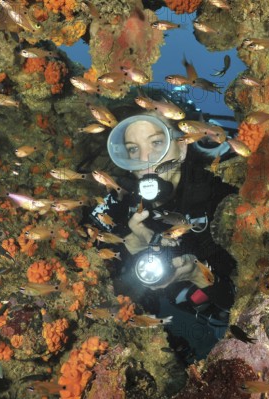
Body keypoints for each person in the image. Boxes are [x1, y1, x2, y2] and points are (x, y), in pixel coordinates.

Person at [87, 112, 237, 332]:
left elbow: (261, 292)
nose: (146, 160)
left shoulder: (221, 194)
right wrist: (131, 246)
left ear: (183, 147)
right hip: (195, 315)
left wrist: (197, 275)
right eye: (133, 149)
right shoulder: (121, 204)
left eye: (157, 143)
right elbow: (96, 279)